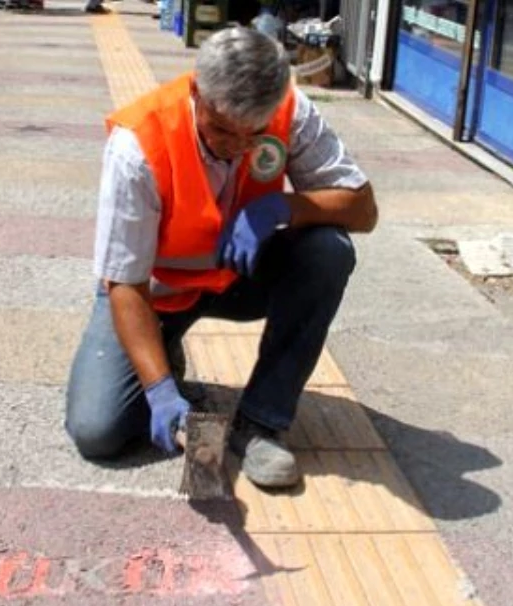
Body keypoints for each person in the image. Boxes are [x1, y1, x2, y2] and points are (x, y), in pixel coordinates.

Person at [64, 26, 378, 488]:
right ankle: (164, 358)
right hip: (155, 294)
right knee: (98, 430)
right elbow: (125, 284)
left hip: (238, 277)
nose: (237, 146)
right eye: (223, 131)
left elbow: (363, 209)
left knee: (327, 251)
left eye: (252, 135)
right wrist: (159, 390)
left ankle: (262, 421)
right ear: (197, 91)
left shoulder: (290, 111)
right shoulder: (139, 145)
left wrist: (285, 206)